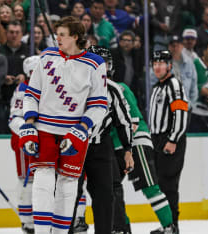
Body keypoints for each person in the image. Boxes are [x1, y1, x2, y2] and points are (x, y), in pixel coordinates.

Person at [20, 16, 108, 234]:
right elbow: (31, 94)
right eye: (56, 33)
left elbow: (99, 104)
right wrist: (29, 124)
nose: (56, 38)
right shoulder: (47, 56)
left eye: (62, 34)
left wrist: (82, 128)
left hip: (74, 133)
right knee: (43, 180)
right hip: (45, 129)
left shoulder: (95, 64)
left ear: (75, 37)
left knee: (68, 186)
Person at [68, 45, 134, 234]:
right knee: (69, 194)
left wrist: (128, 150)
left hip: (101, 147)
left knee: (105, 196)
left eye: (104, 63)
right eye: (97, 62)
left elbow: (124, 121)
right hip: (75, 146)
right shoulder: (74, 84)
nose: (101, 67)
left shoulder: (113, 89)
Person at [110, 83, 174, 234]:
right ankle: (121, 227)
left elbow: (133, 121)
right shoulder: (95, 91)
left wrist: (127, 146)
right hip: (116, 148)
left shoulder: (119, 88)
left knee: (150, 187)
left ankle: (169, 227)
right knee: (109, 188)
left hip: (135, 143)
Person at [149, 50, 189, 233]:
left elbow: (181, 114)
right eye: (155, 63)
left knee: (169, 184)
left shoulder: (173, 84)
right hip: (158, 139)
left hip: (170, 138)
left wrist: (173, 139)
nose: (157, 67)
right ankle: (167, 224)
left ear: (169, 66)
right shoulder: (157, 87)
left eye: (161, 63)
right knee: (161, 184)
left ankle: (173, 226)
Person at [8, 55, 40, 234]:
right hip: (23, 140)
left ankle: (39, 218)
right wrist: (29, 134)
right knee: (27, 180)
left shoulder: (45, 87)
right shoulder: (24, 89)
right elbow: (14, 119)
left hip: (40, 139)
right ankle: (27, 222)